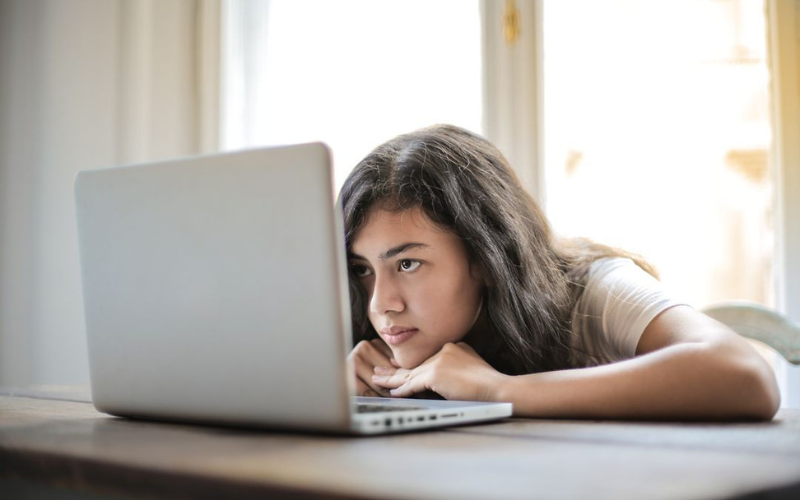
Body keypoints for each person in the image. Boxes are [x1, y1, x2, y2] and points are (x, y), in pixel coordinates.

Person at [339, 124, 780, 421]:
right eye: (363, 268)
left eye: (408, 264)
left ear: (488, 257)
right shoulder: (375, 335)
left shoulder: (595, 289)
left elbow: (744, 374)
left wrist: (497, 391)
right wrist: (338, 395)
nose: (381, 303)